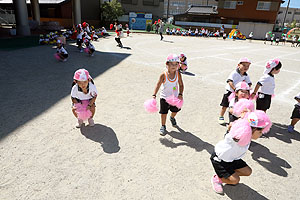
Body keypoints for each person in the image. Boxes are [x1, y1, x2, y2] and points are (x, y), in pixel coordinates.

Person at [210, 110, 271, 195]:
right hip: (220, 160)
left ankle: (227, 175)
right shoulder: (236, 137)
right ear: (251, 129)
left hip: (232, 159)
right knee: (235, 180)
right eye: (260, 132)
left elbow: (247, 121)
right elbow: (232, 133)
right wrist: (235, 124)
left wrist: (246, 116)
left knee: (248, 172)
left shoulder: (248, 136)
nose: (261, 134)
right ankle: (217, 178)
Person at [152, 54, 184, 136]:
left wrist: (180, 94)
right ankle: (163, 126)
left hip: (174, 97)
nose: (174, 66)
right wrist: (154, 94)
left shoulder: (178, 74)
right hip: (164, 97)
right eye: (172, 64)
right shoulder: (163, 75)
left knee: (175, 111)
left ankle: (172, 117)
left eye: (176, 64)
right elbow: (158, 85)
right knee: (164, 113)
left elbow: (181, 84)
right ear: (167, 64)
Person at [219, 58, 252, 124]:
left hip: (238, 93)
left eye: (247, 66)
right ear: (239, 65)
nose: (246, 67)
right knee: (225, 105)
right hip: (230, 91)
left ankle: (236, 117)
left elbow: (249, 83)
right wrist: (234, 89)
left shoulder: (246, 75)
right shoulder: (234, 73)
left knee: (236, 105)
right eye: (244, 65)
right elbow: (230, 81)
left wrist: (247, 87)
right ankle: (221, 116)